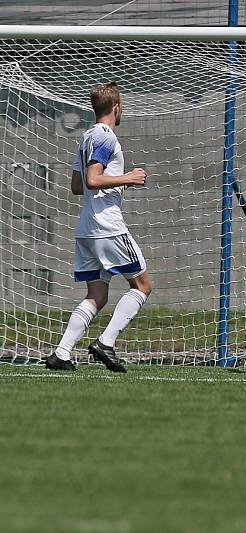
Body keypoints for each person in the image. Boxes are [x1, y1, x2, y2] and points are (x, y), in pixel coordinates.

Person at [44, 82, 152, 372]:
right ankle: (106, 342)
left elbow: (76, 185)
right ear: (116, 107)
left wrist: (112, 180)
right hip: (108, 226)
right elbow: (92, 179)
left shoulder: (86, 137)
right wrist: (128, 177)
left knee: (97, 296)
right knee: (142, 285)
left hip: (87, 229)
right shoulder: (105, 137)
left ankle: (62, 353)